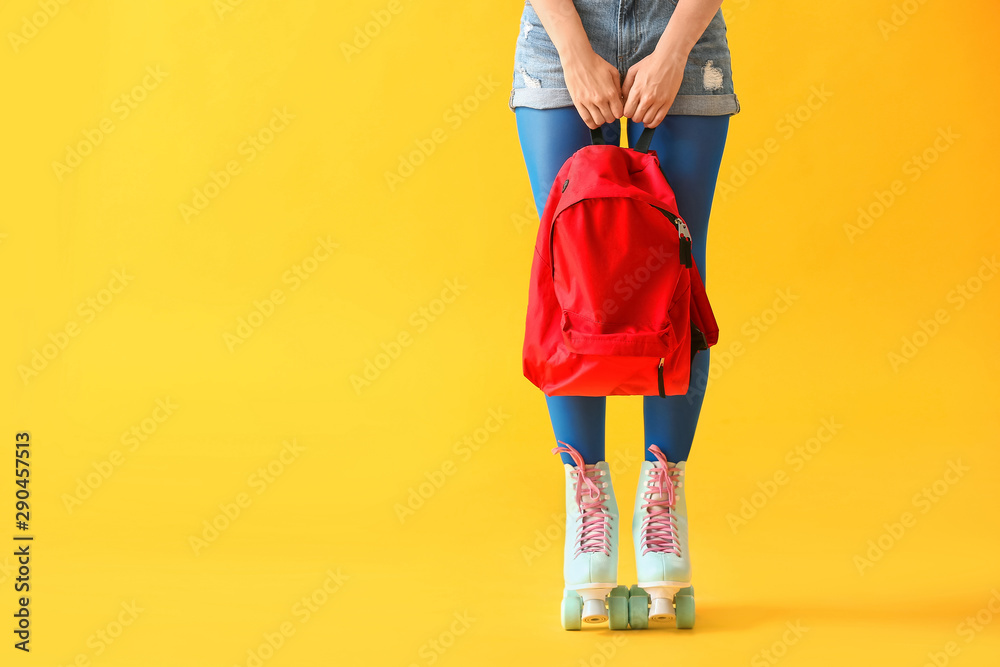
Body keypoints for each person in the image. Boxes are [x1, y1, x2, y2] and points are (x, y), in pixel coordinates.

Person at [508, 0, 740, 630]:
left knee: (676, 281)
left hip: (683, 40)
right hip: (560, 42)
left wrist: (672, 51)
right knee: (576, 280)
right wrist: (574, 50)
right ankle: (587, 497)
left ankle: (662, 497)